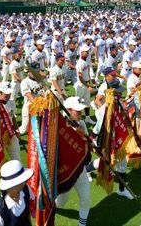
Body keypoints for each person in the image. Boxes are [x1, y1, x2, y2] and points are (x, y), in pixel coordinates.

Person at [56, 96, 91, 226]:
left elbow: (87, 150)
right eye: (78, 111)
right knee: (60, 204)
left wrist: (84, 139)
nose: (81, 114)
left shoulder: (81, 124)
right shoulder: (58, 129)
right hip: (67, 173)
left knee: (86, 199)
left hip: (80, 169)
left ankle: (82, 224)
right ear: (68, 110)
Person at [0, 160, 34, 226]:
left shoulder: (26, 188)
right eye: (22, 181)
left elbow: (27, 215)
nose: (25, 182)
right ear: (12, 186)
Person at [19, 62, 44, 134]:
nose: (37, 72)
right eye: (35, 71)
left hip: (40, 105)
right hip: (29, 106)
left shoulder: (40, 79)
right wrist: (38, 107)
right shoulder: (25, 82)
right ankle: (13, 134)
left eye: (38, 71)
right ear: (30, 71)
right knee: (24, 129)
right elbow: (29, 96)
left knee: (39, 127)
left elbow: (44, 91)